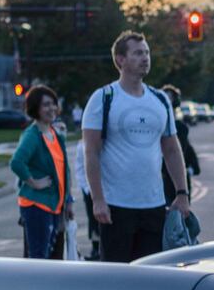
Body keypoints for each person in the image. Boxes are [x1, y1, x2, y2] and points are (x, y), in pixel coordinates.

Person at [82, 32, 191, 263]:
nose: (145, 58)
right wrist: (98, 199)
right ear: (121, 60)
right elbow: (91, 152)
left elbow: (171, 149)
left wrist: (182, 193)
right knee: (117, 277)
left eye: (147, 52)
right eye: (138, 53)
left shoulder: (160, 99)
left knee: (151, 276)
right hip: (116, 207)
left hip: (154, 205)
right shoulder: (103, 98)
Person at [9, 85, 72, 260]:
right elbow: (16, 162)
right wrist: (34, 182)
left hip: (55, 206)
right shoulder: (32, 135)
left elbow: (63, 170)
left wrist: (68, 200)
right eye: (45, 105)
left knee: (55, 259)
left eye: (53, 104)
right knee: (38, 259)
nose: (51, 108)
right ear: (35, 108)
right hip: (37, 206)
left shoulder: (54, 134)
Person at [158, 85, 201, 202]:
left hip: (175, 181)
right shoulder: (154, 125)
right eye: (164, 98)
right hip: (157, 181)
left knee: (181, 217)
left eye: (170, 98)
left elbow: (181, 149)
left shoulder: (180, 128)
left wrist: (193, 166)